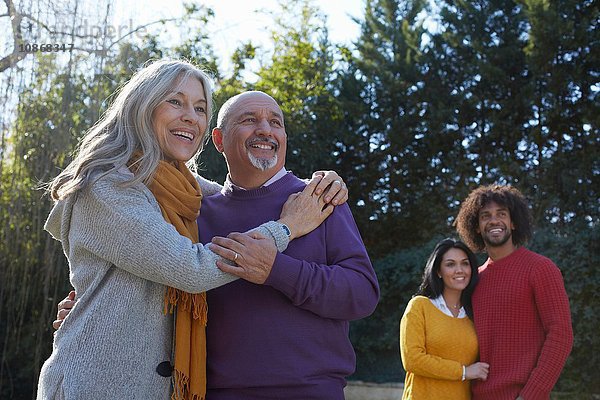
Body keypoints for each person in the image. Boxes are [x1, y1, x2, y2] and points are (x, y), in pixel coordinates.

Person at [38, 60, 348, 400]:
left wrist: (316, 186)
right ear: (143, 107)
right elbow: (189, 268)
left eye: (200, 108)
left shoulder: (188, 190)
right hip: (99, 380)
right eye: (175, 101)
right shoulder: (106, 187)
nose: (191, 116)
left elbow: (244, 194)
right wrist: (288, 227)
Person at [188, 90, 380, 399]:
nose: (265, 129)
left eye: (275, 122)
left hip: (313, 391)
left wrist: (277, 270)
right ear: (219, 140)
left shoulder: (320, 198)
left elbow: (362, 294)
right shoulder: (198, 214)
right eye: (250, 120)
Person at [455, 184, 573, 400]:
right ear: (477, 227)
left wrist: (530, 395)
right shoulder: (473, 280)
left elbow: (561, 335)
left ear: (514, 222)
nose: (494, 220)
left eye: (501, 214)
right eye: (485, 216)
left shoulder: (540, 268)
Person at [399, 238, 489, 400]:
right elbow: (412, 359)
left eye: (465, 263)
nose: (459, 270)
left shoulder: (474, 316)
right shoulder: (420, 306)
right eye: (450, 264)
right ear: (438, 271)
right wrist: (463, 372)